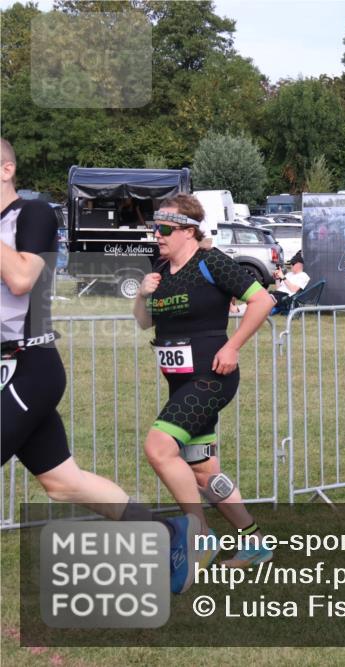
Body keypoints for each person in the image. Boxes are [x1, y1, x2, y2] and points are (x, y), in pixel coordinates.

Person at [0, 138, 201, 594]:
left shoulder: (31, 215)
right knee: (63, 483)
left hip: (29, 364)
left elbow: (21, 278)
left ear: (7, 170)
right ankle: (167, 533)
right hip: (6, 367)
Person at [134, 194, 276, 574]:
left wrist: (232, 346)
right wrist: (142, 295)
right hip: (179, 383)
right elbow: (146, 323)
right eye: (155, 228)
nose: (157, 235)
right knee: (203, 471)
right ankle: (255, 543)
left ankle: (199, 536)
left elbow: (262, 301)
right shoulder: (160, 269)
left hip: (211, 378)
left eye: (164, 229)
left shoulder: (211, 262)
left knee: (159, 447)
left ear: (188, 231)